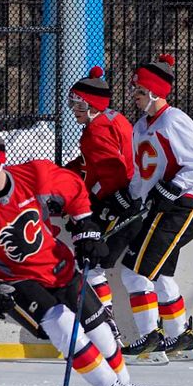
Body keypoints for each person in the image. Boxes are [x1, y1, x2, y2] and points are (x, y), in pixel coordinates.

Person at [0, 120, 157, 386]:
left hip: (58, 267)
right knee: (62, 323)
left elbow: (75, 191)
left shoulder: (36, 176)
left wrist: (86, 229)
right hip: (18, 280)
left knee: (101, 328)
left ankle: (125, 384)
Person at [114, 54, 193, 363]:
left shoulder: (174, 120)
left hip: (181, 208)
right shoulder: (141, 126)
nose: (135, 96)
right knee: (158, 276)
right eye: (135, 91)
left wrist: (173, 187)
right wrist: (132, 198)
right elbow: (146, 174)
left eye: (140, 91)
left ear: (156, 93)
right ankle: (179, 337)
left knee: (134, 273)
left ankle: (150, 342)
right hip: (161, 209)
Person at [63, 67, 136, 340]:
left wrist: (90, 198)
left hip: (117, 202)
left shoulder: (95, 130)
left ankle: (107, 326)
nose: (74, 109)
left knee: (90, 264)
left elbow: (113, 172)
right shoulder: (114, 119)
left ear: (93, 104)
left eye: (78, 103)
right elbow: (93, 165)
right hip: (129, 198)